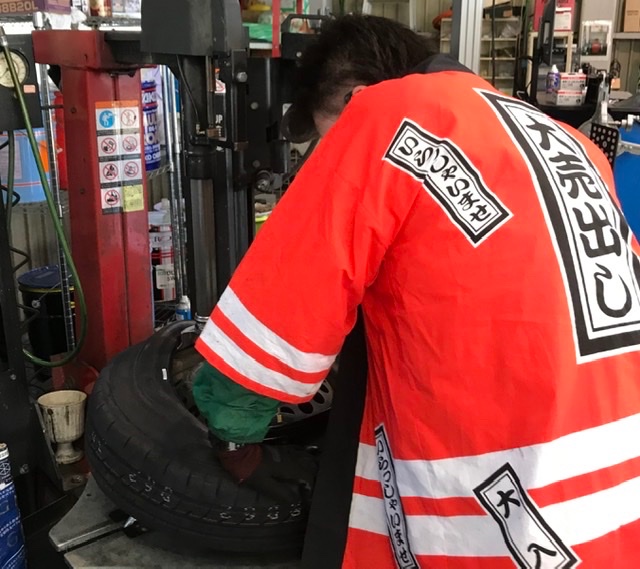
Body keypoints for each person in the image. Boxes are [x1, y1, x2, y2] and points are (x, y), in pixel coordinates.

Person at [192, 14, 640, 568]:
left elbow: (278, 317)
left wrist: (234, 442)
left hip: (497, 506)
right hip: (615, 495)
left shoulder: (382, 116)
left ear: (357, 98)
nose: (325, 157)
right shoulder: (568, 141)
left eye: (327, 139)